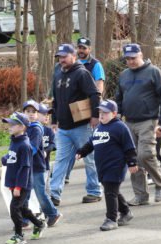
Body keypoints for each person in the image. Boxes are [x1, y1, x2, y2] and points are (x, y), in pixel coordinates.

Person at [115, 43, 161, 206]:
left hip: (148, 120)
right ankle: (141, 195)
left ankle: (160, 183)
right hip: (129, 122)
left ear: (141, 55)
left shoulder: (153, 72)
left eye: (133, 58)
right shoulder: (124, 75)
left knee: (145, 154)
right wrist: (117, 114)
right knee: (133, 159)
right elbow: (119, 97)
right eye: (128, 59)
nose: (131, 61)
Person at [50, 44, 102, 205]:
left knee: (90, 159)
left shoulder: (82, 73)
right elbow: (55, 99)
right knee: (60, 160)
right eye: (59, 57)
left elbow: (94, 95)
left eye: (64, 56)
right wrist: (53, 120)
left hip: (82, 126)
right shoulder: (58, 72)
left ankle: (94, 191)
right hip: (64, 128)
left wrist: (95, 116)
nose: (61, 60)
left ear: (74, 56)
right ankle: (54, 194)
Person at [76, 100, 138, 231]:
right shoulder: (99, 127)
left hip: (115, 166)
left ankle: (111, 219)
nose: (101, 115)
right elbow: (91, 143)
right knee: (113, 191)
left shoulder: (120, 127)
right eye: (100, 112)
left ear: (114, 113)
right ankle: (126, 212)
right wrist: (81, 152)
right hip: (102, 167)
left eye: (105, 112)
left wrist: (132, 162)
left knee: (110, 192)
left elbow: (129, 147)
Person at [65, 37, 106, 184]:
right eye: (79, 47)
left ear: (90, 49)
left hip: (87, 108)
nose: (81, 51)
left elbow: (99, 86)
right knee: (69, 143)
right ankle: (65, 174)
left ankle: (96, 180)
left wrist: (96, 110)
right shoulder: (72, 64)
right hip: (72, 109)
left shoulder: (95, 65)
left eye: (84, 48)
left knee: (84, 143)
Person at [2, 112, 46, 244]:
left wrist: (18, 187)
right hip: (14, 182)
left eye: (13, 124)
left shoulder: (25, 145)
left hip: (22, 184)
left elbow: (25, 167)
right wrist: (5, 159)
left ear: (22, 127)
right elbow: (13, 156)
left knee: (14, 208)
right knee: (23, 209)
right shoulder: (14, 140)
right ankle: (39, 224)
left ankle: (19, 235)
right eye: (9, 123)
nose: (9, 126)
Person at [23, 100, 62, 227]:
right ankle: (24, 219)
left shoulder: (36, 129)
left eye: (34, 111)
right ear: (23, 113)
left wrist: (22, 157)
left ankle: (53, 214)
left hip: (37, 166)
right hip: (27, 166)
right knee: (25, 193)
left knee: (40, 193)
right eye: (28, 111)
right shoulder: (24, 127)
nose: (31, 114)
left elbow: (33, 148)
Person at [38, 103, 56, 192]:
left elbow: (53, 145)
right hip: (33, 165)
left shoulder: (49, 131)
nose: (47, 116)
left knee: (45, 188)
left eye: (48, 115)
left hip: (45, 165)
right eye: (44, 114)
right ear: (36, 114)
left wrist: (46, 151)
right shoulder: (30, 130)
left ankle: (47, 203)